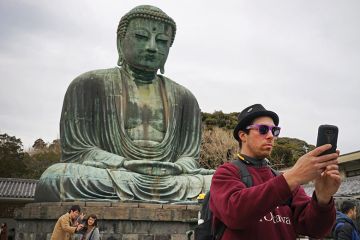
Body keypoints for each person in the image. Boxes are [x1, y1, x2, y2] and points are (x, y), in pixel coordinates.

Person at [35, 5, 213, 203]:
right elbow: (79, 151)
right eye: (141, 37)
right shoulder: (88, 84)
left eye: (162, 41)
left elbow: (189, 157)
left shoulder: (185, 97)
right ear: (120, 42)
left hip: (170, 179)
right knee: (55, 178)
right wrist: (124, 163)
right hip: (114, 174)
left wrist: (178, 166)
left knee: (215, 182)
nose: (152, 47)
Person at [209, 103, 341, 239]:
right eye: (263, 129)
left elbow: (315, 229)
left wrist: (323, 197)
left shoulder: (284, 180)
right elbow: (235, 214)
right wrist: (293, 176)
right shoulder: (226, 173)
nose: (271, 136)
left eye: (275, 130)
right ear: (243, 135)